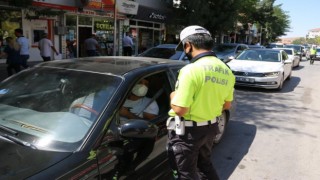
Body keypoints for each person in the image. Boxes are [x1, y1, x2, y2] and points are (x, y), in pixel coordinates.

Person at [167, 25, 235, 180]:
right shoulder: (226, 70)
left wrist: (172, 96)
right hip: (210, 128)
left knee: (185, 173)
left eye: (184, 47)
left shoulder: (191, 70)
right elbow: (226, 105)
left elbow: (180, 109)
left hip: (188, 133)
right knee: (204, 166)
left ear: (188, 45)